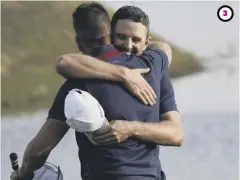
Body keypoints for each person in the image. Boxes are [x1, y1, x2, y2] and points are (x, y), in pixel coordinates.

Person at [10, 3, 183, 180]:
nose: (129, 45)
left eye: (136, 40)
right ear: (111, 34)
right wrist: (124, 72)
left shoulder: (76, 86)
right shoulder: (151, 67)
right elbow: (163, 48)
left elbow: (39, 151)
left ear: (78, 42)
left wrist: (22, 172)